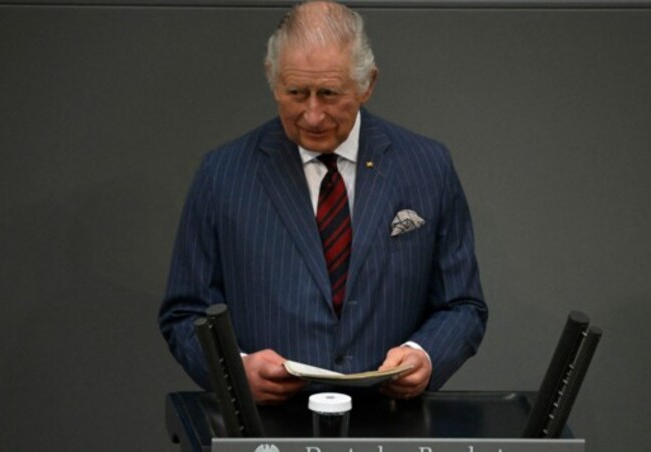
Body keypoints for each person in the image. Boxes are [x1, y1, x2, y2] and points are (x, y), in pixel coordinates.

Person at [159, 0, 487, 404]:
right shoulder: (222, 175)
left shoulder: (427, 167)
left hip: (389, 419)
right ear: (271, 78)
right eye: (296, 93)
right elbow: (183, 315)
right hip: (269, 426)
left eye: (329, 94)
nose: (312, 115)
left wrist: (425, 356)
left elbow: (463, 305)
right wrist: (233, 370)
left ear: (368, 84)